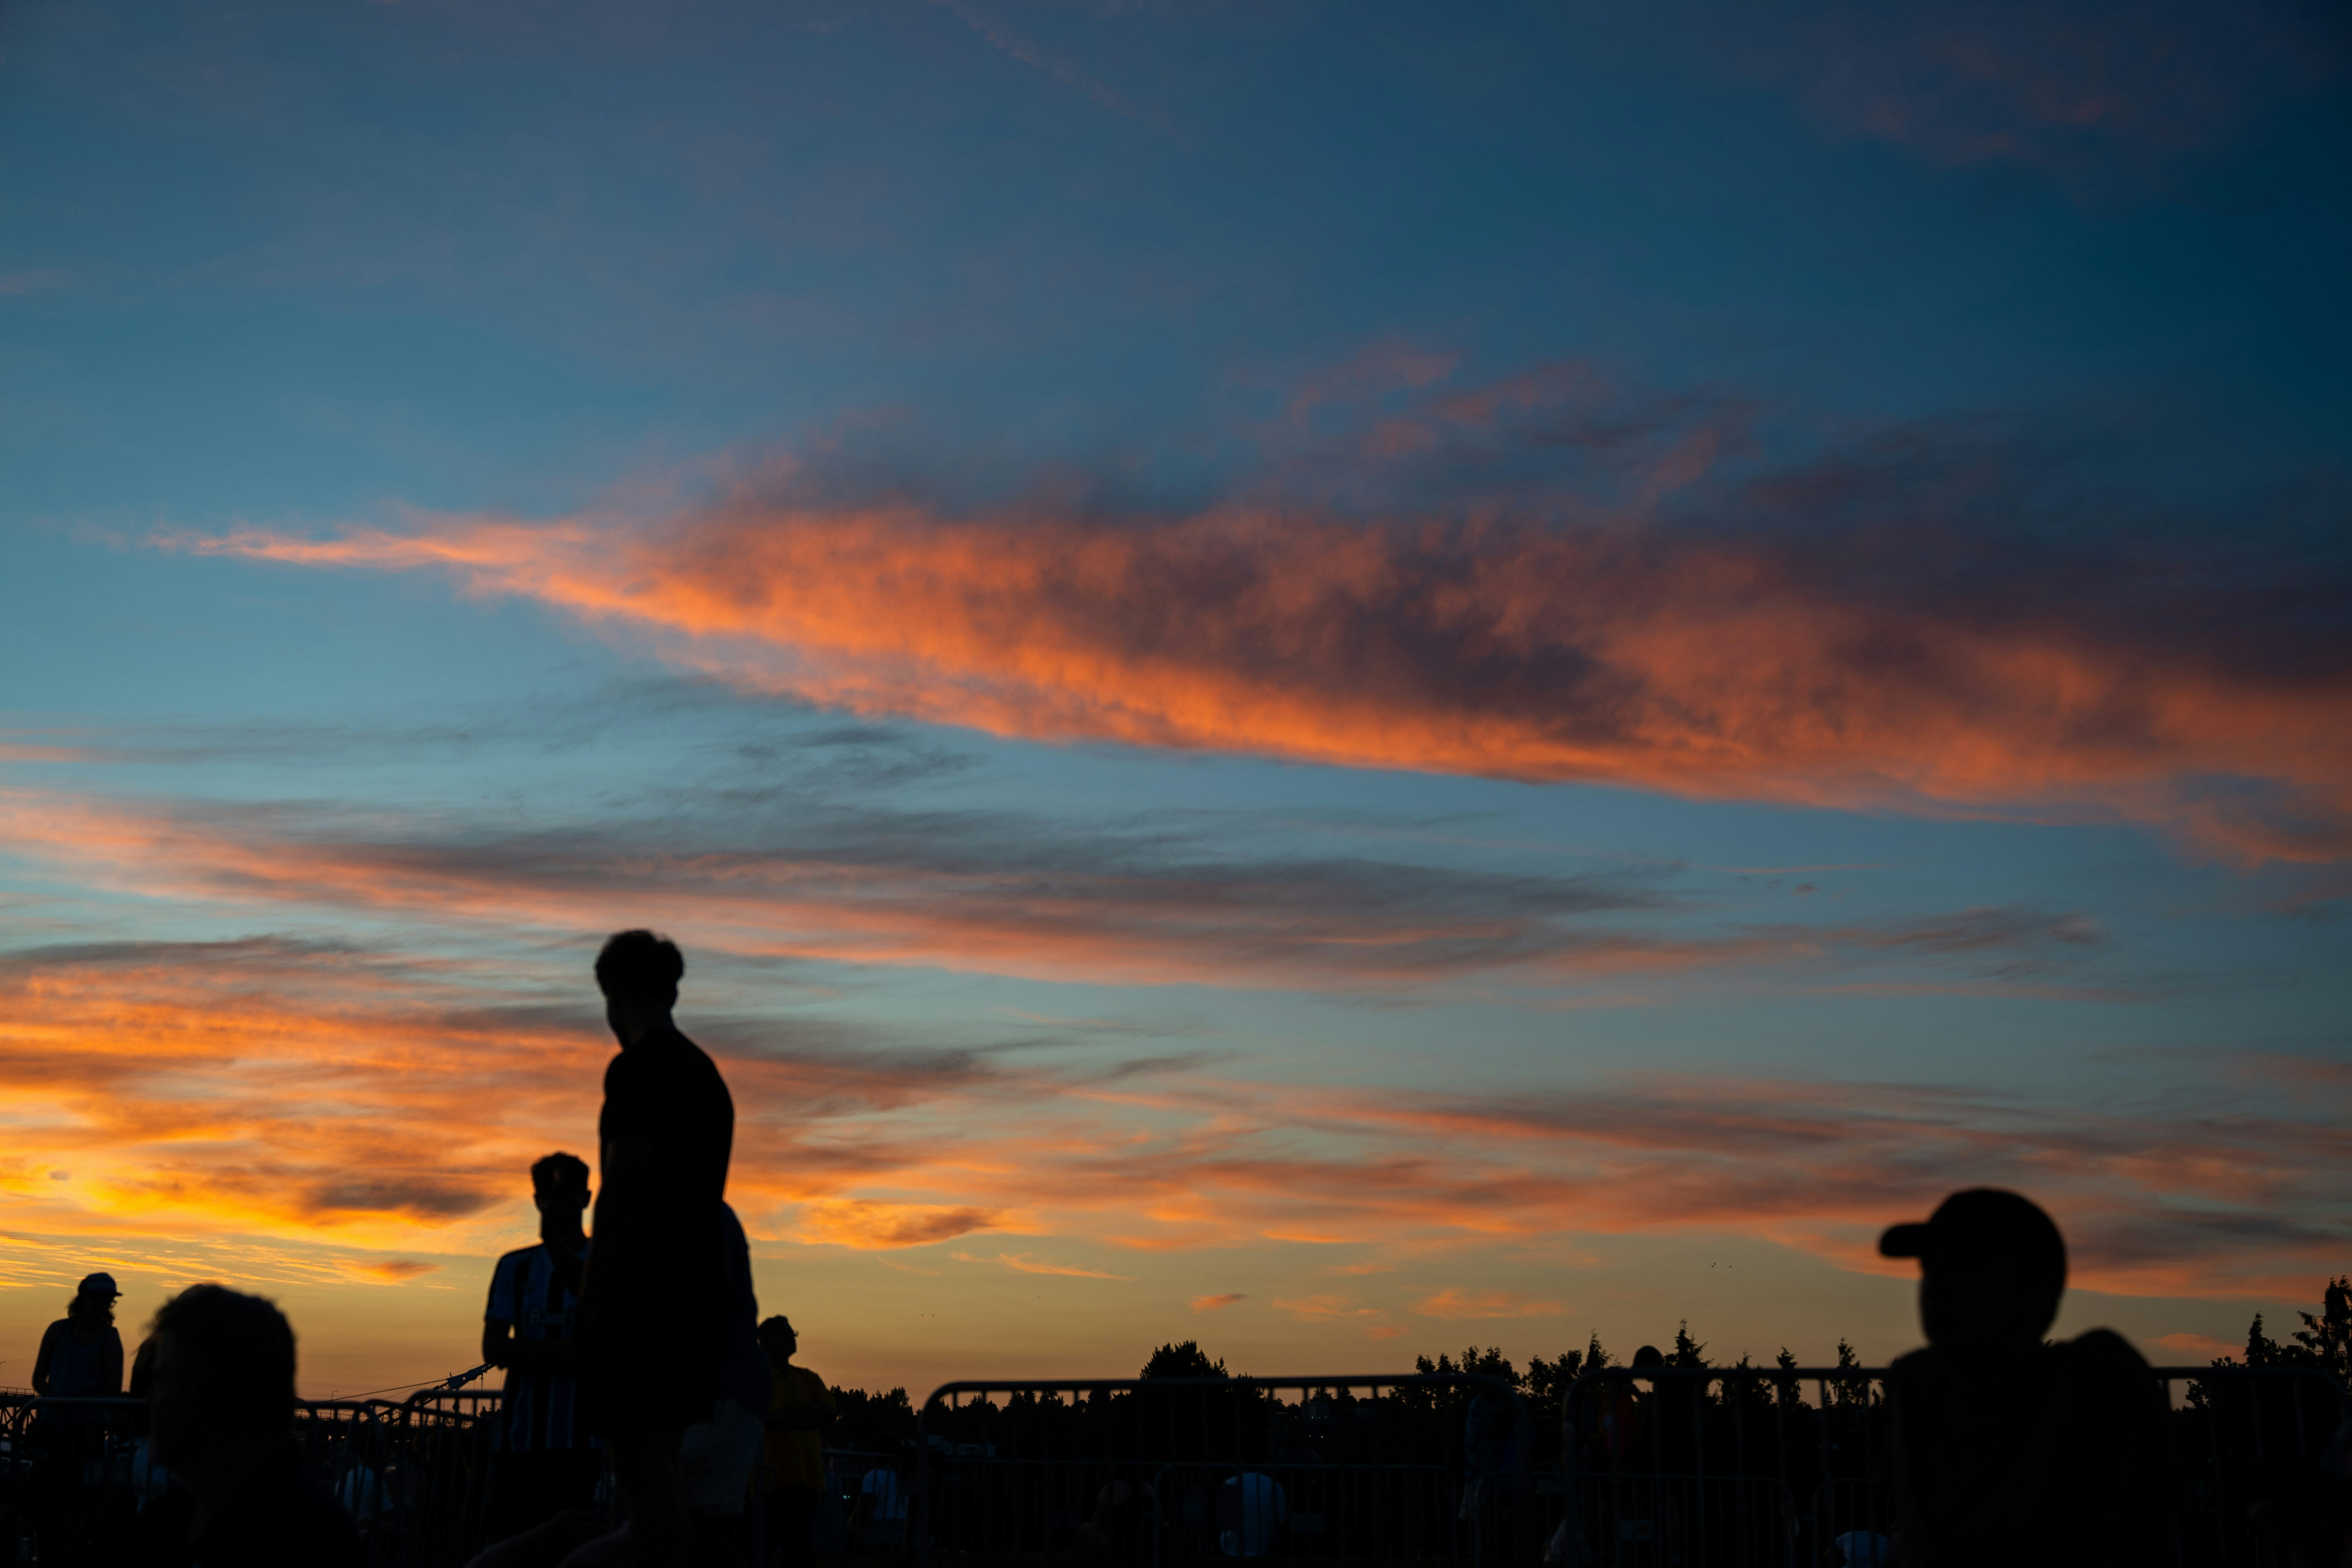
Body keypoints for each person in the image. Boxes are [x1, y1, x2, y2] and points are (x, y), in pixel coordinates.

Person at [1877, 1188, 2172, 1568]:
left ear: (2038, 1287)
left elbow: (2138, 1537)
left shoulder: (2094, 1379)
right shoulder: (1915, 1384)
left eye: (1965, 1264)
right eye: (1930, 1267)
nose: (1936, 1286)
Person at [577, 930, 735, 1568]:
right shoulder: (705, 1075)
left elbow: (624, 1184)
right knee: (663, 1478)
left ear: (613, 996)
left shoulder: (640, 1069)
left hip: (645, 1305)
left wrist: (592, 1295)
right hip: (695, 1303)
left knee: (648, 1484)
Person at [106, 1283, 360, 1567]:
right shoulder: (166, 1521)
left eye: (164, 1381)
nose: (150, 1400)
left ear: (222, 1394)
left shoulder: (303, 1538)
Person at [483, 1152, 604, 1546]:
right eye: (549, 1195)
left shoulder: (605, 1263)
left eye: (567, 1195)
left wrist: (532, 1352)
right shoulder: (514, 1266)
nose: (557, 1204)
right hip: (519, 1441)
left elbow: (607, 1345)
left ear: (585, 1199)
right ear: (537, 1201)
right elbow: (494, 1347)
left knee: (569, 1549)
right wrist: (569, 1352)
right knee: (516, 1545)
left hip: (582, 1442)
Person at [677, 1204, 772, 1568]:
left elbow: (703, 1307)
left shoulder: (702, 1215)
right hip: (715, 1386)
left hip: (722, 1387)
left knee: (701, 1526)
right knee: (693, 1525)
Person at [756, 1315, 835, 1568]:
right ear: (765, 1342)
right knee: (761, 1548)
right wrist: (809, 1416)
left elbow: (829, 1410)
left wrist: (791, 1417)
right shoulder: (759, 1378)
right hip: (769, 1479)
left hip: (809, 1478)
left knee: (802, 1552)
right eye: (784, 1335)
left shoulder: (808, 1377)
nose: (791, 1338)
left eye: (793, 1334)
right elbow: (772, 1417)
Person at [33, 1272, 126, 1409]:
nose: (101, 1305)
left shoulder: (110, 1339)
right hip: (52, 1420)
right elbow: (38, 1379)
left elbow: (113, 1391)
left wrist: (76, 1404)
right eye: (96, 1298)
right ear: (82, 1299)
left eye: (107, 1300)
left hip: (89, 1424)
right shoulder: (56, 1330)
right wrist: (52, 1398)